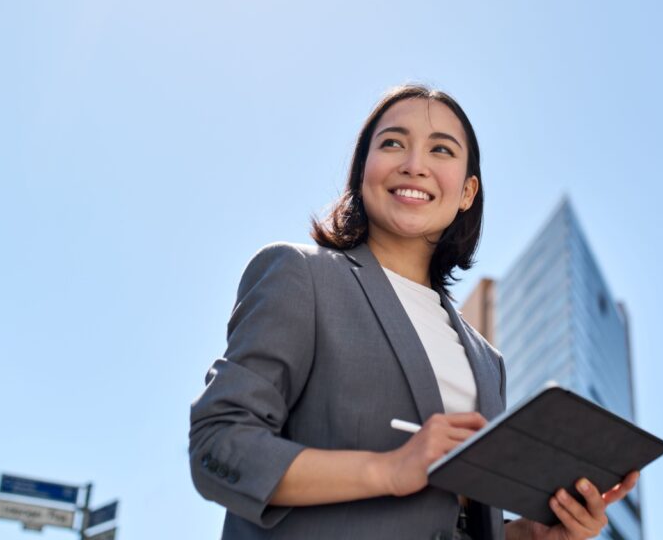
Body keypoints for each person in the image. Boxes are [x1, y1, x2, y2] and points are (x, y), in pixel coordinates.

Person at [189, 84, 639, 539]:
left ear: (467, 192)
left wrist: (530, 535)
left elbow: (454, 520)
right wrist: (388, 469)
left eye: (441, 150)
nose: (414, 164)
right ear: (362, 172)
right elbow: (220, 446)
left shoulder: (488, 361)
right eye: (392, 143)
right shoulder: (302, 275)